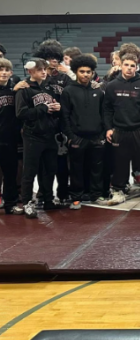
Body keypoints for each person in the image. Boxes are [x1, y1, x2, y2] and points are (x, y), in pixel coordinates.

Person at [103, 53, 140, 206]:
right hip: (119, 130)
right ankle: (118, 190)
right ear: (121, 66)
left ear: (136, 67)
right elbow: (107, 109)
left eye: (132, 65)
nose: (129, 68)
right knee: (120, 163)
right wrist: (108, 128)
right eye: (126, 65)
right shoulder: (112, 85)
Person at [15, 59, 61, 218]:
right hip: (32, 136)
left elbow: (54, 109)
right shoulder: (24, 89)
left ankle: (48, 199)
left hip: (49, 135)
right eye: (39, 69)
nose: (43, 72)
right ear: (30, 71)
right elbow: (21, 113)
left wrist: (57, 108)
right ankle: (27, 202)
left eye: (44, 69)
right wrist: (43, 108)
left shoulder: (49, 88)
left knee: (49, 169)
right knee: (30, 171)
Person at [61, 54, 105, 209]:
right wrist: (71, 137)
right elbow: (64, 116)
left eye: (88, 72)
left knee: (97, 169)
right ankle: (76, 197)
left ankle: (96, 195)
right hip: (77, 137)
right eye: (82, 71)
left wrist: (101, 135)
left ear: (92, 73)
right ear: (76, 72)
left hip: (96, 137)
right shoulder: (68, 91)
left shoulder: (98, 91)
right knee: (76, 170)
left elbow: (104, 113)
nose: (85, 74)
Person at [34, 41, 72, 205]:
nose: (53, 61)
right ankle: (44, 195)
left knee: (62, 164)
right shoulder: (38, 79)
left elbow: (73, 99)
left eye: (56, 58)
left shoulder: (65, 78)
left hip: (61, 127)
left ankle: (63, 193)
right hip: (43, 126)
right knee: (45, 165)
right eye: (49, 58)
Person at [0, 59, 27, 214]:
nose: (3, 72)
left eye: (6, 70)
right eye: (0, 69)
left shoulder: (15, 89)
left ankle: (10, 204)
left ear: (11, 72)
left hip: (10, 139)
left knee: (10, 173)